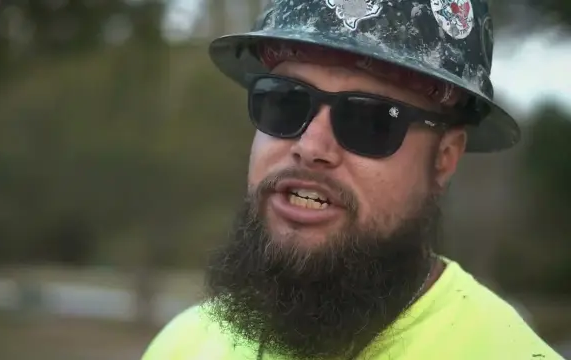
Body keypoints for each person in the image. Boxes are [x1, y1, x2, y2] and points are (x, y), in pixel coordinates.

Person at [142, 0, 564, 359]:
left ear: (445, 158)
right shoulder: (184, 345)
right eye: (285, 102)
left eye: (369, 120)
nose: (311, 146)